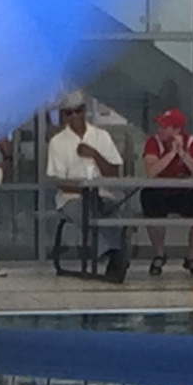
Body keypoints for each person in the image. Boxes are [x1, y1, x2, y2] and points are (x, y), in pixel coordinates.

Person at [45, 98, 131, 285]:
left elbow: (114, 173)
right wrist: (85, 190)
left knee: (112, 214)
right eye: (69, 112)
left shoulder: (102, 136)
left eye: (78, 110)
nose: (74, 116)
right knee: (85, 214)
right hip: (71, 197)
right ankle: (115, 253)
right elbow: (60, 182)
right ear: (64, 115)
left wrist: (95, 155)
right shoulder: (57, 143)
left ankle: (114, 257)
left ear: (84, 110)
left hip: (103, 193)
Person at [139, 104, 193, 276]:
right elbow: (151, 172)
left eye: (164, 127)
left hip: (183, 191)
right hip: (158, 190)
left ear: (177, 130)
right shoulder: (153, 142)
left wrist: (182, 154)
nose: (159, 130)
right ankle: (159, 254)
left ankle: (192, 257)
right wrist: (170, 155)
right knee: (150, 205)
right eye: (159, 126)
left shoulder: (191, 143)